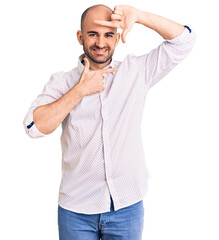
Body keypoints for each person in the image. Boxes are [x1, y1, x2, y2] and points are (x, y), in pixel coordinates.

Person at [23, 4, 196, 240]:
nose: (101, 43)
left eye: (108, 35)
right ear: (80, 37)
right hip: (76, 210)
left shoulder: (137, 71)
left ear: (117, 38)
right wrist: (79, 91)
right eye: (93, 34)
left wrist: (140, 16)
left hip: (127, 206)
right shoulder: (63, 82)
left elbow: (185, 40)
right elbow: (33, 127)